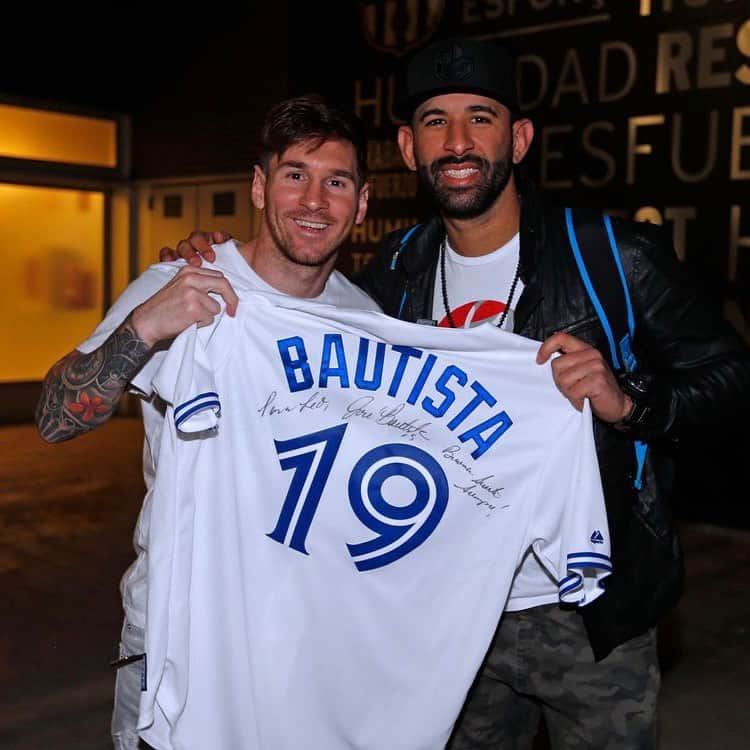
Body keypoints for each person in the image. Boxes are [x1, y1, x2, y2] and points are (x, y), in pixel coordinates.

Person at [171, 37, 750, 749]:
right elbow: (299, 326)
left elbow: (731, 379)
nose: (459, 141)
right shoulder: (392, 275)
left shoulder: (610, 255)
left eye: (480, 117)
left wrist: (628, 402)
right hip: (441, 612)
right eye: (436, 122)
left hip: (588, 611)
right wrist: (216, 257)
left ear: (521, 138)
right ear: (410, 149)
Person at [35, 94, 378, 750]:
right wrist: (145, 327)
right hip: (175, 637)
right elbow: (53, 421)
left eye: (336, 182)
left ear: (361, 204)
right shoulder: (178, 280)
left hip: (305, 646)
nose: (314, 201)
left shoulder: (366, 322)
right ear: (258, 186)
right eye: (294, 175)